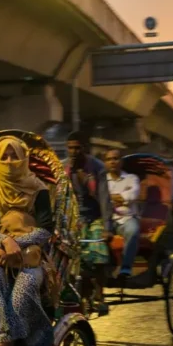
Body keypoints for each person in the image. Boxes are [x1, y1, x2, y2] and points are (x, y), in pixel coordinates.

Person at [0, 136, 54, 346]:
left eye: (14, 156)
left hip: (30, 256)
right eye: (4, 156)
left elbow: (46, 229)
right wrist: (4, 242)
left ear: (24, 158)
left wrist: (17, 244)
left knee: (24, 288)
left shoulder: (39, 189)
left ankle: (5, 341)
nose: (9, 161)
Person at [65, 131, 113, 311]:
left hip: (95, 217)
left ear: (84, 148)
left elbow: (104, 198)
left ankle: (100, 294)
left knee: (97, 252)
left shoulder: (97, 167)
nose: (73, 151)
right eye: (70, 148)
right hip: (74, 219)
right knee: (70, 255)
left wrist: (107, 228)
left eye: (77, 147)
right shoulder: (64, 168)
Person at [104, 150, 141, 279]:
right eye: (109, 159)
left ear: (121, 162)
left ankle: (125, 268)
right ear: (105, 163)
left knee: (133, 231)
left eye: (115, 158)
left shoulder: (131, 178)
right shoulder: (102, 181)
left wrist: (111, 198)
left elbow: (133, 195)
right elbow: (101, 200)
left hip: (127, 218)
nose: (112, 162)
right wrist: (121, 198)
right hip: (107, 219)